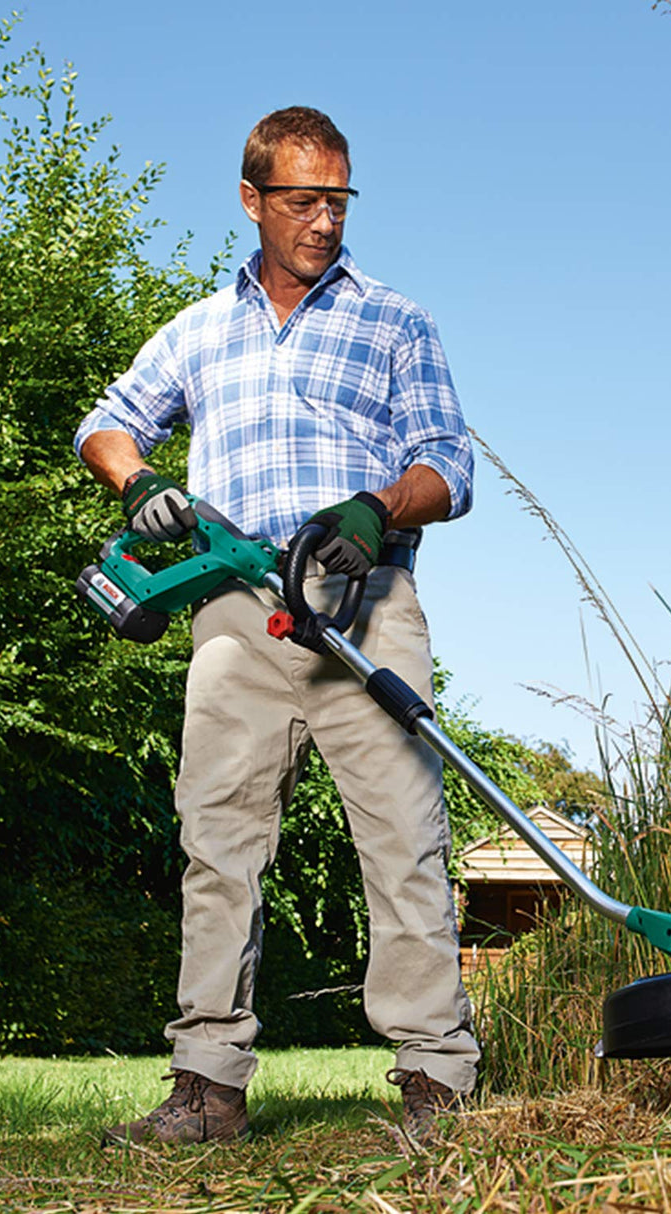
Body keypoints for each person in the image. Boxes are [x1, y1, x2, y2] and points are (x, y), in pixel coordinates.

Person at [75, 106, 478, 1146]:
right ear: (251, 200)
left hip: (363, 604)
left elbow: (448, 462)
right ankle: (206, 1088)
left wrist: (376, 507)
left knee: (402, 844)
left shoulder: (394, 320)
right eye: (301, 199)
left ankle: (436, 1084)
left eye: (337, 200)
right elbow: (106, 421)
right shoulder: (200, 329)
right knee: (218, 844)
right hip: (233, 616)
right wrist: (141, 483)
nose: (322, 220)